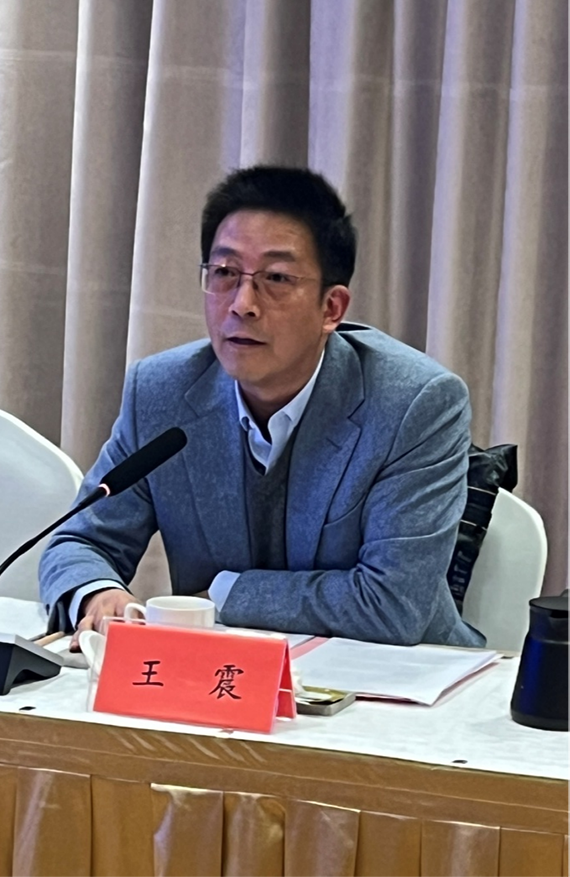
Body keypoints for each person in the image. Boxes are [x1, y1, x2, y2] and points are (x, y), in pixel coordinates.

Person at [39, 165, 484, 648]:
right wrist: (98, 593)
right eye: (225, 273)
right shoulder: (162, 392)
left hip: (393, 678)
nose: (242, 304)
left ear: (332, 308)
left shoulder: (414, 403)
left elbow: (392, 604)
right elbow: (80, 540)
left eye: (276, 278)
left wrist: (222, 593)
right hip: (219, 679)